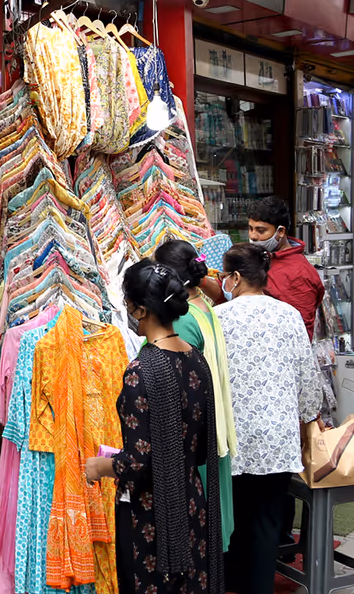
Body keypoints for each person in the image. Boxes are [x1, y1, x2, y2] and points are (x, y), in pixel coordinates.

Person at [85, 259, 224, 594]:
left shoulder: (141, 370)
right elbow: (203, 443)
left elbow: (137, 462)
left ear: (140, 310)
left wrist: (100, 466)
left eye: (128, 305)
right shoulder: (195, 359)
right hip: (192, 501)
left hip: (151, 511)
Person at [215, 243, 323, 594]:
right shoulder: (288, 315)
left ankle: (233, 580)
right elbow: (307, 379)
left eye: (224, 275)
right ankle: (259, 586)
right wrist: (309, 420)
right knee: (267, 521)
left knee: (235, 518)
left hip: (235, 436)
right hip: (277, 438)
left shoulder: (220, 318)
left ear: (234, 277)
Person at [155, 240, 236, 551]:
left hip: (193, 434)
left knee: (195, 528)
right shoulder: (203, 305)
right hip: (212, 426)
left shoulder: (184, 319)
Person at [246, 196, 325, 339]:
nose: (253, 236)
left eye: (261, 230)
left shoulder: (300, 274)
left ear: (280, 232)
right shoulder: (258, 257)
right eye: (250, 229)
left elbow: (300, 330)